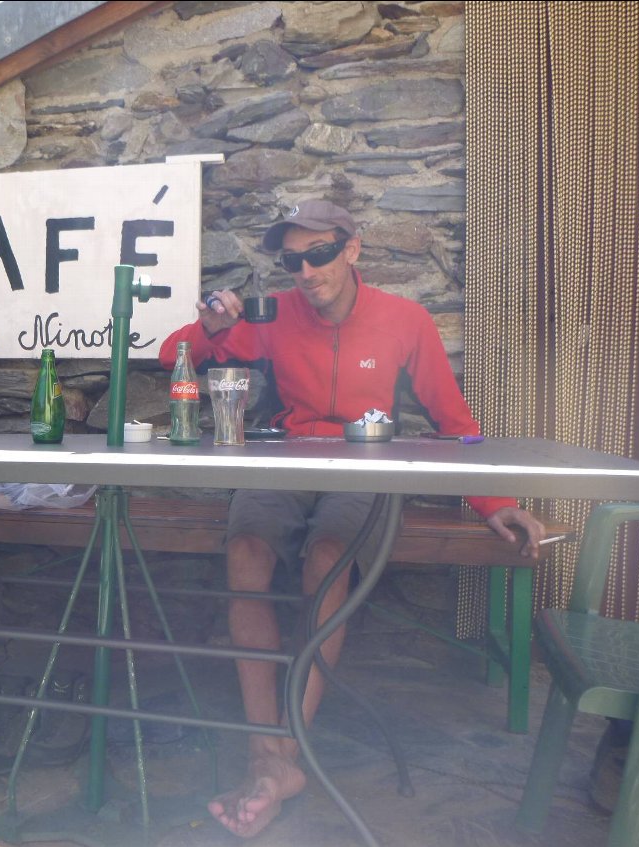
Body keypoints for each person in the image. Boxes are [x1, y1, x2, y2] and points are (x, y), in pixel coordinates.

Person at [158, 200, 547, 838]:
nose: (306, 271)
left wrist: (494, 503)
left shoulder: (404, 319)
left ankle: (287, 747)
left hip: (368, 464)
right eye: (292, 260)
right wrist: (209, 324)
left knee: (328, 556)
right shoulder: (273, 313)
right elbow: (171, 357)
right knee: (246, 551)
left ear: (352, 248)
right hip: (284, 459)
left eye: (319, 253)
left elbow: (456, 425)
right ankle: (270, 755)